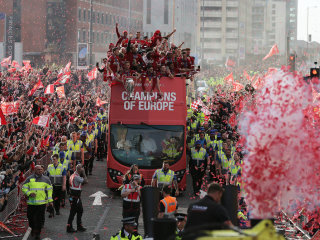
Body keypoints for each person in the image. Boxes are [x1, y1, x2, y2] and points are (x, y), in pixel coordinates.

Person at [22, 165, 53, 240]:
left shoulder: (46, 179)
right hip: (31, 203)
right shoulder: (29, 179)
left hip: (41, 204)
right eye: (38, 169)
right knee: (30, 218)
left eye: (41, 169)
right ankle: (32, 228)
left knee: (39, 220)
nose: (40, 171)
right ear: (35, 170)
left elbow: (49, 191)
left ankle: (37, 234)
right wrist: (29, 193)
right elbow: (24, 188)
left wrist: (50, 201)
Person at [66, 164, 87, 233]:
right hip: (75, 197)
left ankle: (79, 226)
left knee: (80, 210)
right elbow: (85, 181)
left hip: (75, 196)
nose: (83, 169)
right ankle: (69, 227)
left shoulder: (73, 175)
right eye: (82, 168)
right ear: (79, 169)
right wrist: (84, 173)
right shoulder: (77, 177)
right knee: (73, 212)